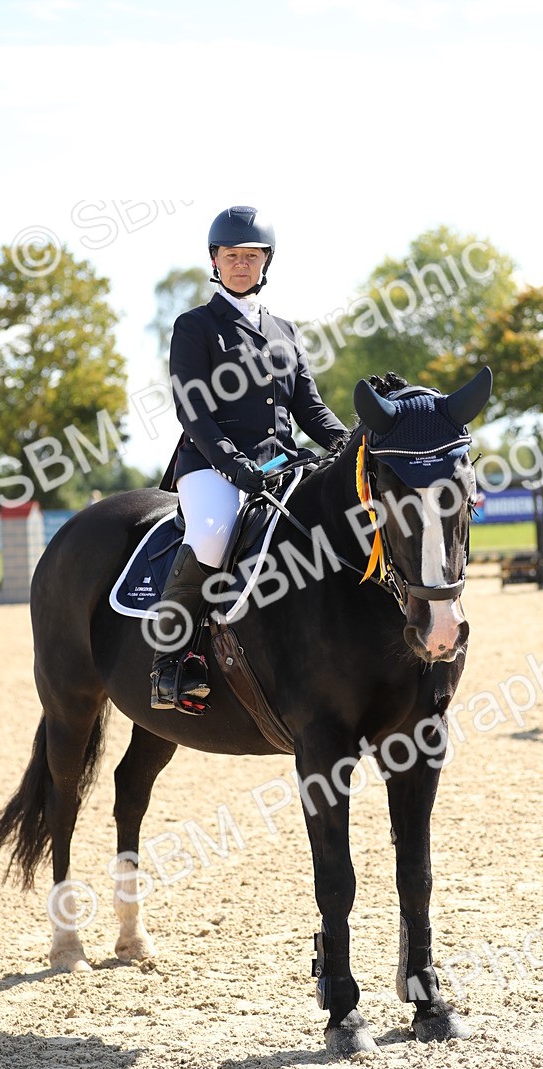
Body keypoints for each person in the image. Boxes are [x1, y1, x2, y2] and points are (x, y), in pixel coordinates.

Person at [151, 205, 348, 714]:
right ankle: (170, 660)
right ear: (215, 260)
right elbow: (191, 409)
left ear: (267, 262)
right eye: (231, 255)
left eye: (252, 256)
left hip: (282, 463)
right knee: (214, 534)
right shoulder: (195, 326)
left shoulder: (285, 329)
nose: (242, 264)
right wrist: (233, 465)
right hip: (211, 464)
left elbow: (309, 407)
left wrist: (348, 445)